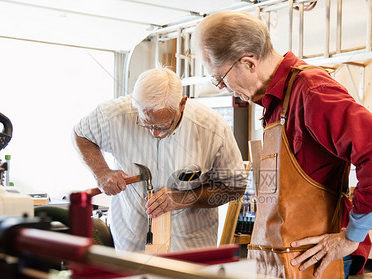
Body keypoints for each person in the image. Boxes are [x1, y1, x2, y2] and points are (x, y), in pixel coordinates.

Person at [193, 11, 372, 279]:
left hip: (316, 260)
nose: (223, 88)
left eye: (220, 78)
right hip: (285, 257)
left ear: (248, 63)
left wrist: (350, 236)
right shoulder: (277, 101)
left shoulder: (311, 91)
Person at [73, 67, 246, 252]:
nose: (156, 133)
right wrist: (101, 172)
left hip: (190, 247)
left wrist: (185, 198)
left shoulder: (213, 128)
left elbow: (235, 186)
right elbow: (81, 134)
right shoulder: (115, 114)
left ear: (182, 104)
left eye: (164, 125)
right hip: (132, 243)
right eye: (146, 124)